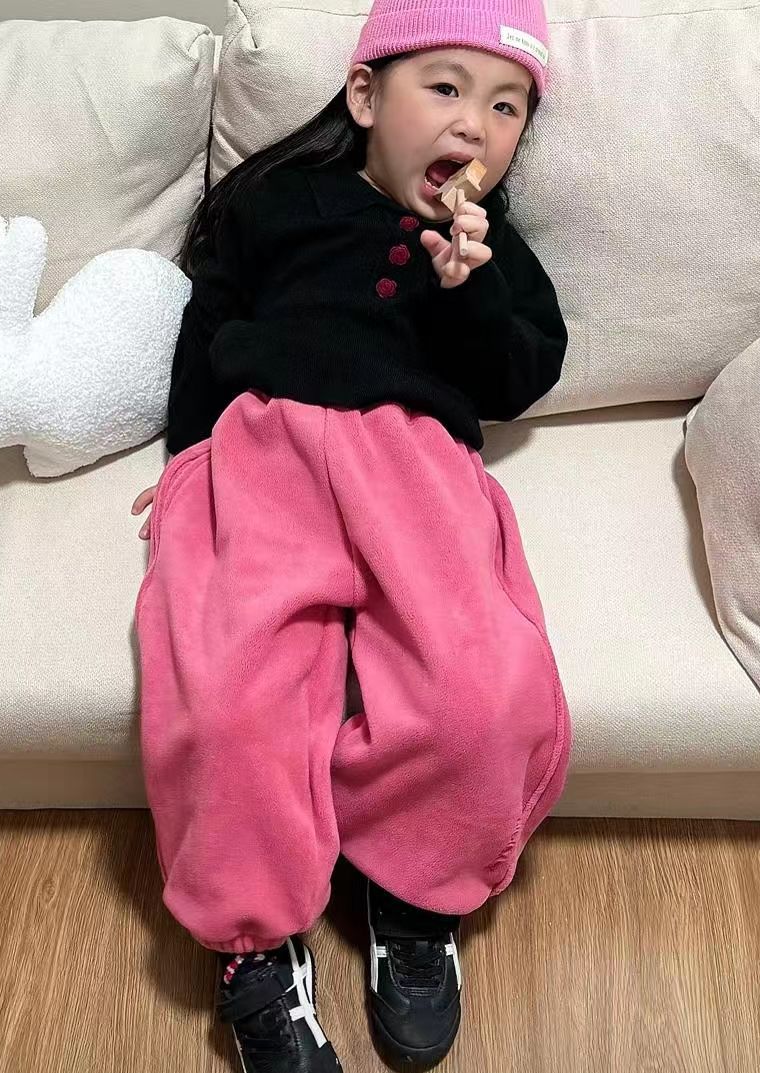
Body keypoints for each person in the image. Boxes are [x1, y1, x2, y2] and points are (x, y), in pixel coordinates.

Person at [130, 1, 572, 1069]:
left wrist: (467, 289)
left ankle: (411, 890)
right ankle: (253, 944)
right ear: (367, 95)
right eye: (446, 88)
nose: (472, 124)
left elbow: (518, 376)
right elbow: (207, 325)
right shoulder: (277, 202)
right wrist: (187, 459)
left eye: (505, 107)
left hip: (415, 465)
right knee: (226, 700)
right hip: (266, 452)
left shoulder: (490, 247)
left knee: (481, 691)